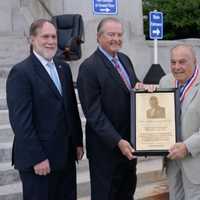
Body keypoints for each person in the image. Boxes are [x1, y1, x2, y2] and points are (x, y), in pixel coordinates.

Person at [6, 19, 84, 200]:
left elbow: (70, 108)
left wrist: (77, 142)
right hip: (39, 163)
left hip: (65, 158)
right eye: (45, 36)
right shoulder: (21, 72)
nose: (51, 41)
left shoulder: (63, 68)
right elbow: (21, 122)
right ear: (32, 39)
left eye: (54, 37)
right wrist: (37, 158)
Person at [77, 17, 139, 200]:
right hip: (107, 150)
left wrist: (144, 89)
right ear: (98, 37)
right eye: (111, 34)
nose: (116, 39)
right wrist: (118, 141)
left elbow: (133, 89)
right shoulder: (89, 68)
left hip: (130, 146)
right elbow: (94, 114)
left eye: (119, 35)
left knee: (127, 193)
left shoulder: (125, 60)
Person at [159, 44, 200, 200]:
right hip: (172, 162)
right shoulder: (165, 81)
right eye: (173, 62)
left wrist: (187, 147)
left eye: (182, 62)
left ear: (195, 61)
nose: (177, 67)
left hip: (195, 161)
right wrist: (146, 91)